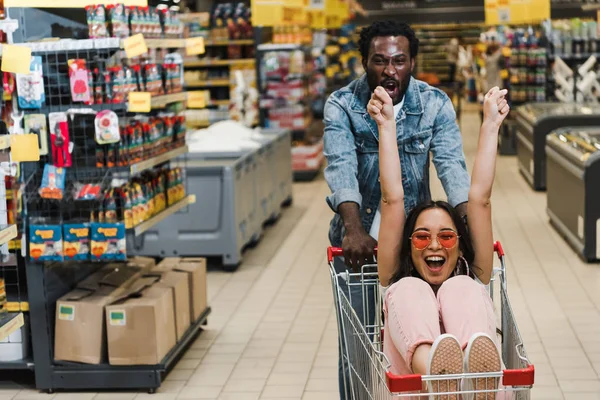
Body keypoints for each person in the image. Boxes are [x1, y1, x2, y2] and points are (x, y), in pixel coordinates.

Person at [323, 20, 471, 399]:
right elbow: (340, 166)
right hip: (359, 248)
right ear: (363, 62)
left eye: (399, 60)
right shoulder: (342, 105)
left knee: (415, 336)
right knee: (357, 346)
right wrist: (353, 228)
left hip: (416, 244)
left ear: (412, 62)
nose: (390, 70)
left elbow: (452, 167)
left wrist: (469, 224)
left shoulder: (434, 104)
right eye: (380, 61)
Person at [368, 84, 509, 399]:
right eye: (421, 237)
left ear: (459, 244)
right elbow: (392, 199)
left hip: (474, 393)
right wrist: (387, 125)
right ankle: (433, 370)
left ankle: (478, 378)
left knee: (462, 287)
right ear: (408, 245)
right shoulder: (395, 277)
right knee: (408, 288)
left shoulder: (472, 273)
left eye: (446, 236)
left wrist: (490, 126)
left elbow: (480, 199)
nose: (434, 245)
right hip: (416, 392)